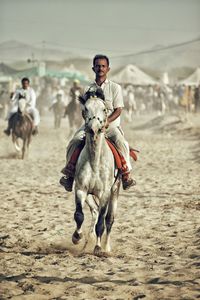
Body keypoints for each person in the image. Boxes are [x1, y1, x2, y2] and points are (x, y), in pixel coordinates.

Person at [60, 54, 136, 191]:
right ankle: (69, 175)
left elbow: (118, 110)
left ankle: (126, 175)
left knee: (122, 143)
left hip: (110, 126)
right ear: (93, 68)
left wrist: (107, 122)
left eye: (103, 66)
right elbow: (84, 110)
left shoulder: (115, 88)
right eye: (97, 66)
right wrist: (89, 122)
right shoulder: (87, 89)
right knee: (74, 141)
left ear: (108, 69)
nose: (100, 68)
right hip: (90, 125)